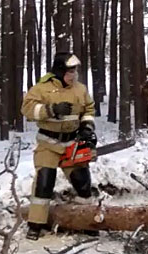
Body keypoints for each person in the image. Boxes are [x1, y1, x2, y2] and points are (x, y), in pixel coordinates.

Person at [21, 52, 96, 240]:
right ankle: (36, 224)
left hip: (72, 142)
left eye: (75, 71)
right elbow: (27, 109)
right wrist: (51, 110)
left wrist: (86, 127)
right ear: (61, 71)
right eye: (71, 71)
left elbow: (89, 109)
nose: (74, 74)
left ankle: (86, 220)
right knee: (44, 181)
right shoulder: (42, 89)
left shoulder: (80, 89)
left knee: (82, 181)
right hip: (49, 144)